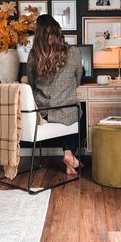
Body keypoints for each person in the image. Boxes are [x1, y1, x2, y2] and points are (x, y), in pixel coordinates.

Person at [27, 14, 83, 175]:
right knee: (77, 113)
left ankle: (69, 157)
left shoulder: (33, 55)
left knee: (66, 114)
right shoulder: (74, 52)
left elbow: (31, 83)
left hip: (42, 113)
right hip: (66, 110)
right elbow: (77, 78)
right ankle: (68, 153)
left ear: (38, 35)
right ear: (58, 31)